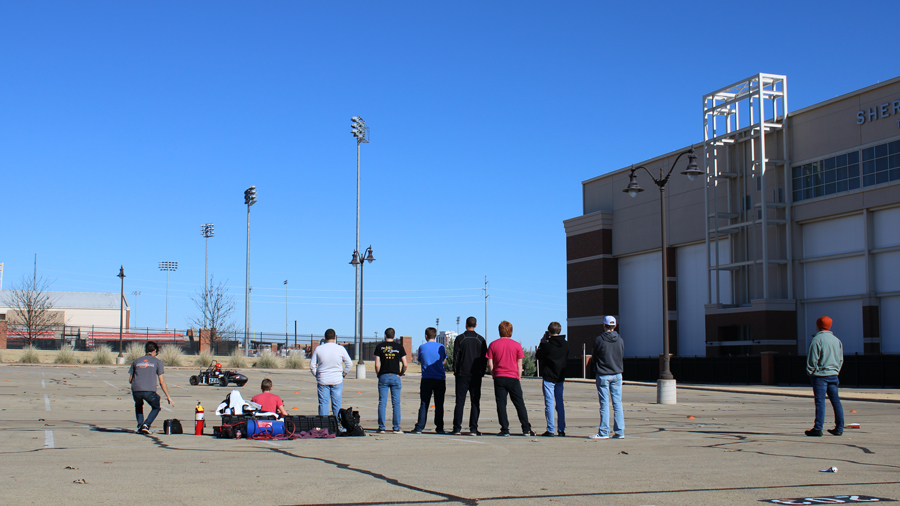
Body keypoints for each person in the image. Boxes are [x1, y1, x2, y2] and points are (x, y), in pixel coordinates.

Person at [486, 320, 534, 437]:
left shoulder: (493, 344)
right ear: (511, 331)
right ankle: (526, 428)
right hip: (513, 377)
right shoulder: (516, 345)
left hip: (499, 377)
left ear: (499, 331)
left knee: (501, 404)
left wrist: (493, 374)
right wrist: (518, 376)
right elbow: (519, 363)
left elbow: (490, 363)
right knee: (519, 403)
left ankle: (505, 429)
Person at [806, 316, 844, 437]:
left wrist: (810, 371)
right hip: (833, 374)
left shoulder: (817, 339)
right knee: (836, 401)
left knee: (820, 402)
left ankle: (818, 428)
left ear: (818, 325)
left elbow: (812, 359)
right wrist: (836, 370)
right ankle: (839, 427)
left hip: (820, 375)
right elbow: (840, 359)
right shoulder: (836, 340)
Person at [128, 341, 174, 435]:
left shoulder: (136, 361)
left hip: (136, 390)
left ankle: (140, 425)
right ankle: (146, 425)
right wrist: (168, 396)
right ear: (154, 351)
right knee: (156, 407)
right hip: (149, 391)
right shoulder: (157, 362)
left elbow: (130, 380)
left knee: (138, 405)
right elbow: (162, 381)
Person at [591, 316, 624, 440]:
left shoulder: (599, 340)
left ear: (604, 325)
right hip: (617, 373)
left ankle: (604, 431)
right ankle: (620, 431)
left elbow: (594, 356)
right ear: (615, 326)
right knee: (617, 403)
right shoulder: (620, 340)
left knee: (604, 403)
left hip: (603, 374)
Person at [309, 329, 353, 421]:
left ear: (324, 338)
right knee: (337, 404)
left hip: (323, 379)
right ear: (335, 337)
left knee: (323, 403)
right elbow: (349, 363)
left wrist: (317, 375)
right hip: (337, 379)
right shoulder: (340, 349)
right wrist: (344, 373)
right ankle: (337, 424)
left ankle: (324, 423)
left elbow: (312, 365)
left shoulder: (319, 349)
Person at [536, 322, 568, 437]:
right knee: (560, 402)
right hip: (560, 376)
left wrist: (542, 342)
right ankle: (561, 429)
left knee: (549, 403)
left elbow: (538, 356)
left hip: (549, 376)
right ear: (559, 331)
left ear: (549, 331)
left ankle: (550, 429)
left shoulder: (547, 345)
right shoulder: (565, 344)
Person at [411, 326, 446, 434]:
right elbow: (443, 360)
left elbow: (421, 360)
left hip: (426, 378)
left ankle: (420, 426)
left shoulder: (422, 347)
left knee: (424, 403)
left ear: (426, 336)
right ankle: (439, 427)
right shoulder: (441, 347)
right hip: (439, 378)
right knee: (439, 404)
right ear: (435, 336)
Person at [374, 327, 408, 433]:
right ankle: (396, 427)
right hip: (395, 376)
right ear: (394, 336)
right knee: (396, 403)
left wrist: (378, 374)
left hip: (383, 375)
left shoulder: (380, 347)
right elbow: (405, 364)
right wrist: (401, 373)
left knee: (382, 403)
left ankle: (381, 427)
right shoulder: (399, 347)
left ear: (385, 335)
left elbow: (376, 364)